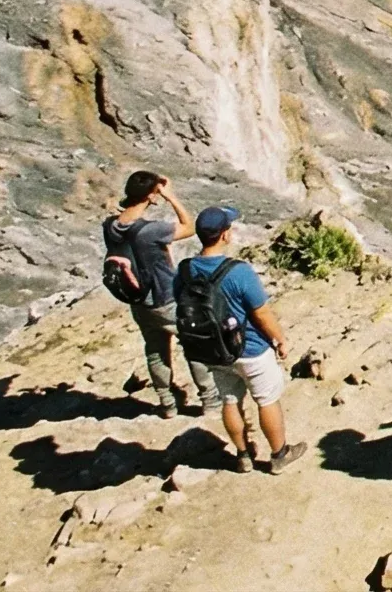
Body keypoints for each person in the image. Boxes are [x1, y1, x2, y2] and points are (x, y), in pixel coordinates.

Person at [178, 206, 307, 474]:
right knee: (266, 399)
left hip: (213, 349)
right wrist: (280, 339)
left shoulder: (186, 270)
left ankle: (243, 454)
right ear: (224, 235)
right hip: (250, 349)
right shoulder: (238, 271)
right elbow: (261, 313)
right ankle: (279, 454)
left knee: (229, 400)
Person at [102, 170, 219, 416]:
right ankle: (210, 401)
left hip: (138, 301)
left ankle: (167, 404)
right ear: (151, 195)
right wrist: (170, 196)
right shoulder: (150, 231)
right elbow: (190, 227)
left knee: (155, 351)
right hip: (165, 298)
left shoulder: (110, 226)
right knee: (195, 345)